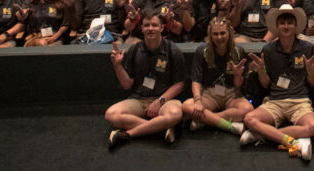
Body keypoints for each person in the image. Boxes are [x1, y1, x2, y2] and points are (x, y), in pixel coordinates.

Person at [240, 4, 314, 161]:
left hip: (299, 101)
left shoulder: (307, 48)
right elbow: (265, 85)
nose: (286, 26)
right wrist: (261, 71)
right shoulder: (268, 50)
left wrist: (311, 71)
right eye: (282, 23)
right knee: (249, 119)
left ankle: (262, 134)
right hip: (275, 101)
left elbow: (313, 82)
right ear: (277, 26)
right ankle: (293, 141)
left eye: (290, 23)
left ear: (296, 26)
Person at [105, 13, 187, 150]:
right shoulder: (135, 49)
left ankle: (127, 134)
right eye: (146, 25)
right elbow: (127, 84)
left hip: (165, 100)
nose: (150, 28)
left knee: (175, 114)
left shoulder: (173, 50)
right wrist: (117, 65)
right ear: (141, 29)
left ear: (162, 28)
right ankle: (160, 128)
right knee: (111, 114)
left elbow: (179, 84)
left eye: (154, 25)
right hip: (139, 99)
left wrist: (160, 100)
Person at [182, 17, 252, 135]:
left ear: (229, 33)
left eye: (223, 33)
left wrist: (237, 76)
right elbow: (196, 80)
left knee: (248, 109)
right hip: (210, 95)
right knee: (187, 106)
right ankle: (230, 126)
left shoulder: (238, 51)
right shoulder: (202, 50)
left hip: (231, 94)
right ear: (210, 35)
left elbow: (238, 85)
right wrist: (198, 101)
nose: (219, 37)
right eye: (215, 34)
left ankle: (206, 120)